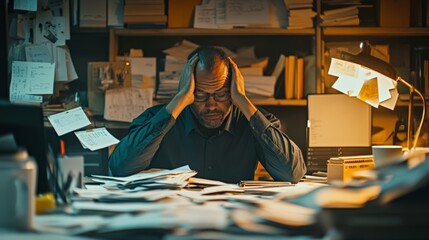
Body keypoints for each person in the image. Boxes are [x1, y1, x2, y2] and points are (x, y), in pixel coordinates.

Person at [108, 46, 306, 183]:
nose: (212, 105)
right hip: (170, 219)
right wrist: (178, 101)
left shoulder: (254, 121)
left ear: (233, 89)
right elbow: (120, 168)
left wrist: (243, 101)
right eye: (200, 96)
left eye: (221, 94)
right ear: (188, 89)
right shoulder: (155, 119)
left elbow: (292, 173)